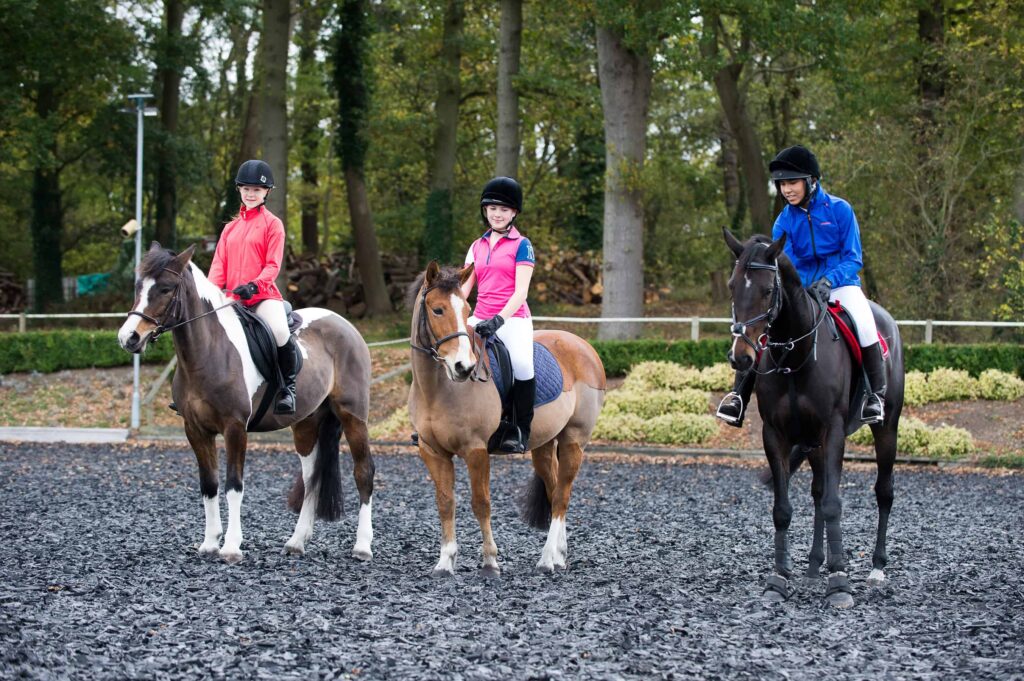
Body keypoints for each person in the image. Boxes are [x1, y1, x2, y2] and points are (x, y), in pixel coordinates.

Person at [715, 145, 887, 427]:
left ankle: (874, 396)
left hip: (842, 285)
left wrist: (829, 280)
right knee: (761, 328)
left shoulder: (841, 210)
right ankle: (738, 397)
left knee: (866, 323)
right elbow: (788, 264)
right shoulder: (783, 221)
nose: (787, 190)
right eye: (782, 184)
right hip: (802, 288)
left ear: (811, 181)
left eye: (792, 182)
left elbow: (853, 257)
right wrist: (804, 285)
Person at [208, 159, 298, 415]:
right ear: (239, 189)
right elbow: (217, 267)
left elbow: (272, 266)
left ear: (267, 192)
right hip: (230, 298)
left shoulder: (273, 225)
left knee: (280, 331)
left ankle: (287, 389)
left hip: (262, 297)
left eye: (256, 190)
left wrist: (254, 285)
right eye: (246, 188)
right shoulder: (229, 229)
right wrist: (214, 296)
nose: (250, 193)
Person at [462, 176, 537, 453]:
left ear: (514, 213)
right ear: (485, 210)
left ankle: (519, 430)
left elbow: (521, 292)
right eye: (492, 208)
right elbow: (465, 287)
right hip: (479, 316)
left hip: (513, 318)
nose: (497, 213)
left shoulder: (522, 245)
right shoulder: (476, 246)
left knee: (521, 364)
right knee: (450, 350)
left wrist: (499, 320)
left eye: (504, 209)